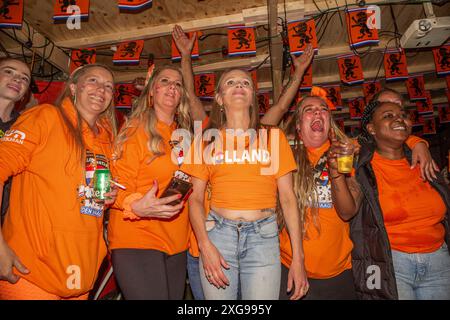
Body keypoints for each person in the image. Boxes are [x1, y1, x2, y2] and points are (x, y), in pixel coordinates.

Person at [172, 24, 314, 300]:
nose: (239, 86)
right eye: (230, 83)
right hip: (218, 235)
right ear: (219, 98)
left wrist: (298, 257)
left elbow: (287, 199)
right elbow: (195, 199)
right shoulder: (206, 140)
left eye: (246, 83)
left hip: (264, 237)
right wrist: (205, 245)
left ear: (252, 97)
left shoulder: (272, 137)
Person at [279, 87, 438, 300]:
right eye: (309, 110)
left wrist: (416, 141)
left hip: (340, 273)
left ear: (330, 121)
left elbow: (348, 211)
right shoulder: (283, 154)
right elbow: (257, 131)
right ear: (298, 125)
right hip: (289, 266)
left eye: (323, 109)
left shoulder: (350, 154)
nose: (318, 113)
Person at [0, 63, 118, 300]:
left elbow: (84, 198)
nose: (101, 90)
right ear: (73, 88)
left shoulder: (106, 141)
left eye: (108, 86)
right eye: (93, 81)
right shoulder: (45, 117)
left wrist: (110, 198)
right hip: (31, 272)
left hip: (81, 273)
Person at [330, 99, 450, 299]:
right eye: (388, 116)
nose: (399, 119)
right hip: (392, 262)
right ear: (372, 128)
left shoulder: (423, 160)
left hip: (439, 261)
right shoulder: (364, 167)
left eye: (403, 115)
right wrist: (335, 173)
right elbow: (347, 212)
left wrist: (420, 143)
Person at [108, 65, 192, 300]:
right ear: (152, 91)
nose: (172, 87)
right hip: (138, 238)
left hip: (176, 243)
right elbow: (115, 186)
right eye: (165, 81)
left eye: (177, 84)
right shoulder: (135, 129)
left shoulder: (184, 135)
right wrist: (135, 205)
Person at [0, 58, 32, 225]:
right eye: (9, 71)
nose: (18, 80)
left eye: (24, 78)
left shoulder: (25, 126)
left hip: (8, 221)